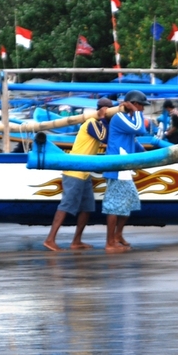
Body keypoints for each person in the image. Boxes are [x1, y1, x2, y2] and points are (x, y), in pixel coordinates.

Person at [43, 98, 113, 252]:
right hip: (74, 172)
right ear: (103, 110)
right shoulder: (92, 123)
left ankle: (76, 241)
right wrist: (102, 118)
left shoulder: (98, 123)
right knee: (66, 206)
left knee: (87, 208)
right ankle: (50, 239)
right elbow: (107, 139)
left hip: (84, 172)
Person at [102, 90, 148, 253]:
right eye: (141, 106)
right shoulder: (120, 118)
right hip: (117, 167)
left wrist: (148, 154)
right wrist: (135, 112)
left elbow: (134, 140)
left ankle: (117, 236)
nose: (142, 109)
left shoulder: (126, 119)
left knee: (129, 202)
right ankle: (109, 242)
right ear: (134, 104)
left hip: (125, 167)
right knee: (114, 206)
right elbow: (139, 129)